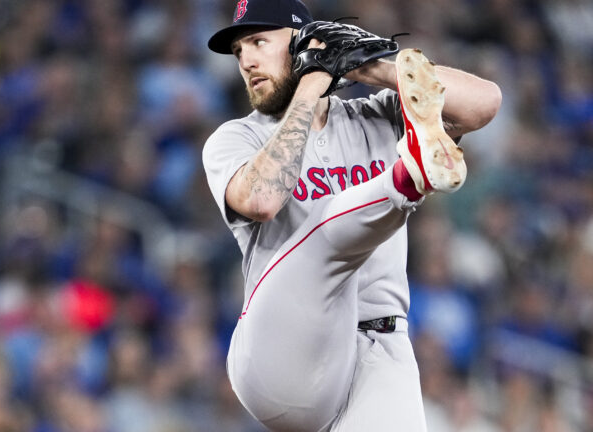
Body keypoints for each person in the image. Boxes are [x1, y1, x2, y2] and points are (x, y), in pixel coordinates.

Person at [202, 0, 501, 430]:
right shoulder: (236, 138)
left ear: (304, 41)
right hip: (286, 352)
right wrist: (310, 84)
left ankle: (407, 176)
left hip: (380, 347)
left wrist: (369, 65)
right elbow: (263, 199)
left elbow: (484, 104)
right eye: (238, 51)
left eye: (258, 42)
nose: (246, 60)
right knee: (326, 236)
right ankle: (407, 178)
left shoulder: (376, 115)